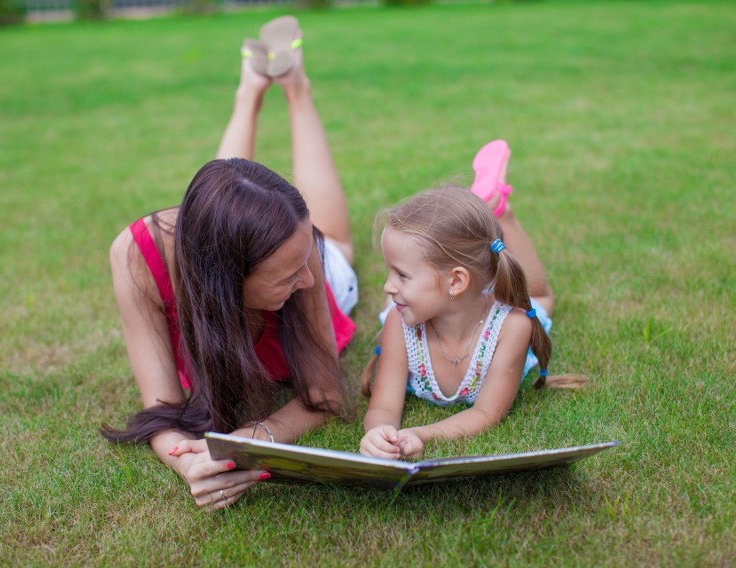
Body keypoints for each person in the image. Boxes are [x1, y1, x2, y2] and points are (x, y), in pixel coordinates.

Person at [103, 16, 359, 510]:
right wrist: (191, 464)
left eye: (304, 260)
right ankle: (251, 88)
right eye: (288, 275)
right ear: (224, 282)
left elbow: (325, 393)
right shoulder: (136, 257)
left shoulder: (306, 261)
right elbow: (162, 407)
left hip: (313, 268)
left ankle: (294, 87)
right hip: (223, 255)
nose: (307, 280)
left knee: (336, 250)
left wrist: (246, 439)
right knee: (227, 207)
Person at [359, 140, 584, 460]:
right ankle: (474, 223)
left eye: (402, 275)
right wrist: (378, 433)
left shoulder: (512, 328)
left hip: (486, 316)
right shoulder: (400, 322)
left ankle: (500, 211)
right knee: (394, 305)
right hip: (428, 307)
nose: (386, 286)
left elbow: (485, 414)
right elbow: (383, 406)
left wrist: (421, 433)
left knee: (541, 299)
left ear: (456, 281)